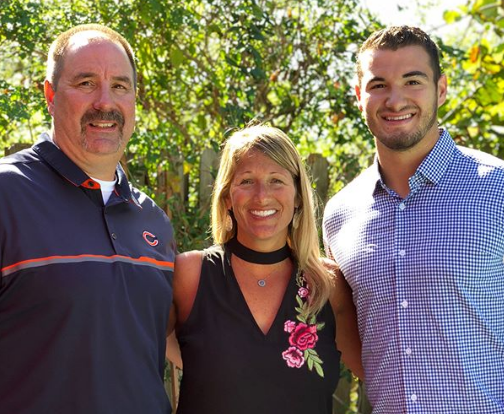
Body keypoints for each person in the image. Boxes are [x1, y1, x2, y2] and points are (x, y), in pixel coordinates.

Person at [323, 25, 504, 413]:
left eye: (412, 81)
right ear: (359, 96)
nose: (395, 99)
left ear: (441, 89)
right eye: (378, 85)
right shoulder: (340, 215)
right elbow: (357, 339)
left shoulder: (497, 190)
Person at [0, 24, 176, 414]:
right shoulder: (7, 194)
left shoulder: (153, 221)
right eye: (85, 82)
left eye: (119, 86)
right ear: (49, 95)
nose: (104, 102)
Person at [168, 124, 362, 414]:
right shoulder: (191, 274)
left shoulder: (327, 285)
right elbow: (137, 355)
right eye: (246, 181)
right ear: (226, 197)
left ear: (298, 197)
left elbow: (385, 376)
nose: (261, 196)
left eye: (276, 180)